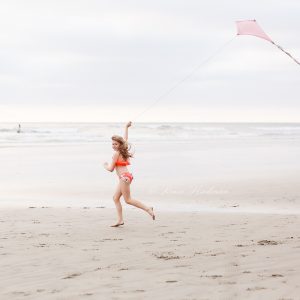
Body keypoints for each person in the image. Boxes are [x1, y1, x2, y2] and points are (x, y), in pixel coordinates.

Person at [103, 121, 155, 227]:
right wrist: (126, 127)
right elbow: (125, 139)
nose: (113, 145)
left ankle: (148, 209)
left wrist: (105, 165)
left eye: (115, 144)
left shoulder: (116, 154)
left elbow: (111, 169)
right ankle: (120, 220)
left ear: (119, 145)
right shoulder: (123, 150)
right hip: (126, 177)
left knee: (128, 200)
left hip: (124, 178)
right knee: (115, 198)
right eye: (112, 144)